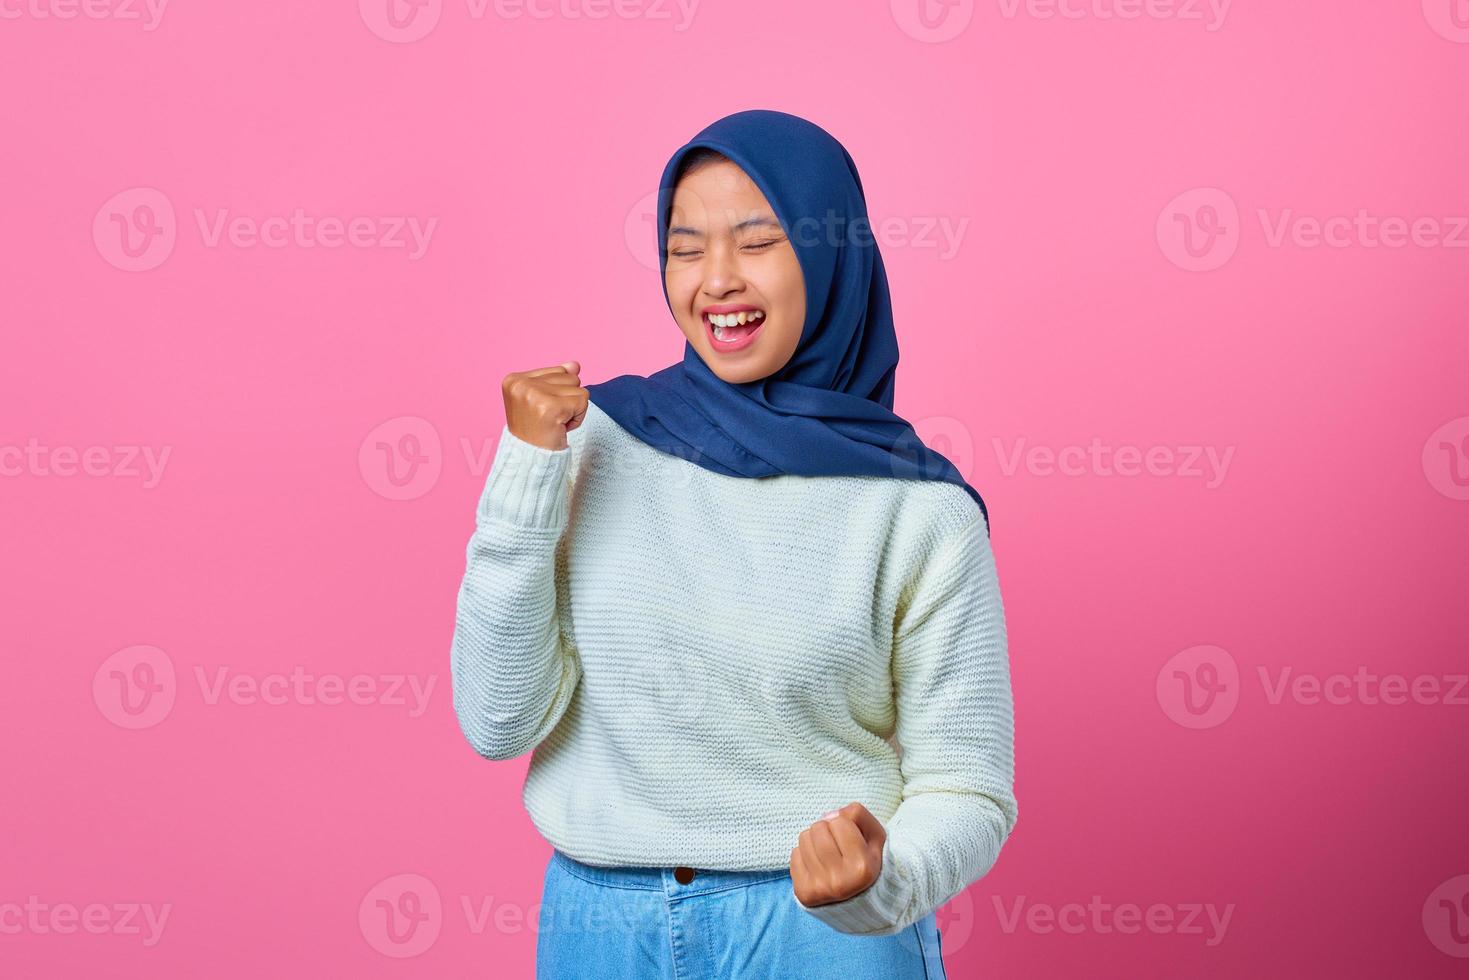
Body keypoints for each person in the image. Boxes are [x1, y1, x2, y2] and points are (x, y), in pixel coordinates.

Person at [450, 108, 1016, 979]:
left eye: (756, 243)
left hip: (821, 938)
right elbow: (497, 722)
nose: (715, 280)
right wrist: (525, 474)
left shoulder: (918, 509)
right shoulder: (588, 442)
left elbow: (968, 789)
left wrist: (878, 882)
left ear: (830, 259)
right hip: (600, 931)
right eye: (685, 248)